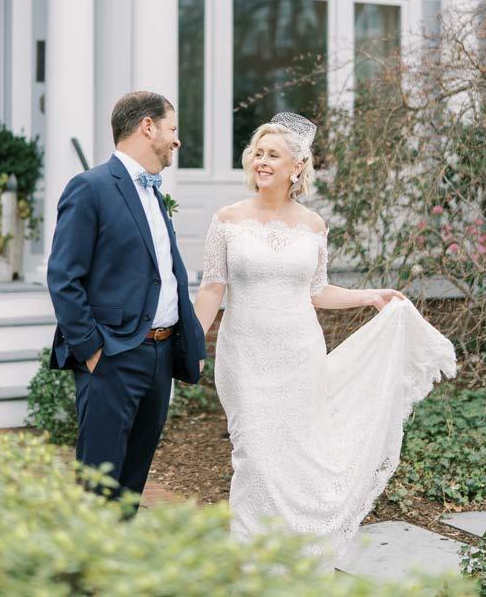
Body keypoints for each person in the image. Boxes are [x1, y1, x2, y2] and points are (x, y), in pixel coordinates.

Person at [193, 113, 456, 558]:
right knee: (254, 456)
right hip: (245, 358)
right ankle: (252, 559)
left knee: (297, 456)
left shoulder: (314, 225)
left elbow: (316, 292)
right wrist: (191, 344)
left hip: (300, 356)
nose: (261, 161)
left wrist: (371, 296)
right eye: (258, 153)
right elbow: (211, 289)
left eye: (273, 155)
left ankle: (299, 553)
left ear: (296, 167)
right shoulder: (227, 220)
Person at [47, 91, 206, 507]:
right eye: (172, 128)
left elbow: (169, 275)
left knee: (132, 482)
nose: (177, 140)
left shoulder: (154, 194)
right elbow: (63, 277)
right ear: (147, 126)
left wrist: (190, 342)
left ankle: (123, 547)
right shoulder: (91, 187)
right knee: (99, 483)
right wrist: (91, 350)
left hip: (159, 356)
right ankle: (91, 550)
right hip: (113, 356)